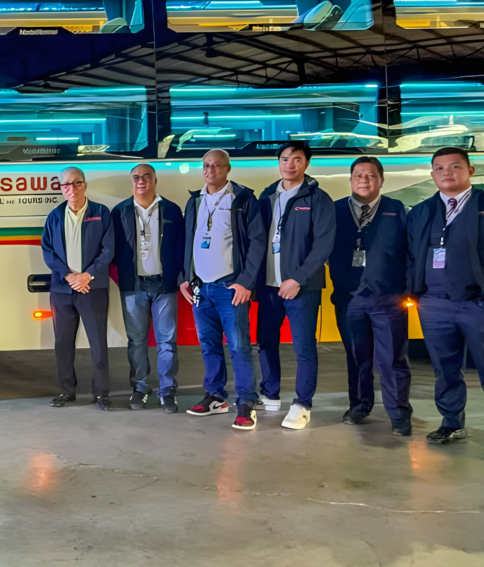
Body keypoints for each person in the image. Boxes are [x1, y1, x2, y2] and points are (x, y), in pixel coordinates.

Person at [406, 147, 484, 462]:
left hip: (482, 304)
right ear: (432, 174)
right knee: (445, 370)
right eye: (439, 168)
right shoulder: (421, 212)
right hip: (434, 304)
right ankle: (452, 423)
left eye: (454, 167)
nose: (446, 173)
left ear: (470, 171)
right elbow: (410, 255)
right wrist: (416, 294)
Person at [180, 149, 267, 430]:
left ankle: (246, 403)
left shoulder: (242, 199)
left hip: (230, 287)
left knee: (240, 347)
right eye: (206, 165)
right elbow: (189, 241)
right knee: (209, 346)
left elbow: (257, 243)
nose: (210, 170)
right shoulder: (195, 200)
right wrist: (186, 276)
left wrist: (246, 281)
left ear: (227, 169)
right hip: (200, 288)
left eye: (217, 166)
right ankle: (216, 397)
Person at [256, 142, 336, 430]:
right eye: (284, 158)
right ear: (278, 162)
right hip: (267, 286)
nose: (290, 164)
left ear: (306, 164)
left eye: (297, 159)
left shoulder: (317, 198)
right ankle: (270, 394)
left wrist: (297, 279)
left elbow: (324, 244)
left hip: (301, 288)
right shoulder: (266, 196)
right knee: (265, 342)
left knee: (303, 346)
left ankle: (303, 404)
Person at [330, 157, 412, 435]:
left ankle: (399, 413)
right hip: (348, 298)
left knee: (392, 358)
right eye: (359, 175)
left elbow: (409, 252)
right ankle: (360, 405)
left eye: (371, 176)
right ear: (351, 179)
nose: (364, 180)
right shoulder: (335, 209)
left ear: (381, 179)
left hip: (387, 299)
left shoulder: (395, 209)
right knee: (357, 357)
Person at [41, 166, 115, 410]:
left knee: (98, 344)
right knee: (63, 344)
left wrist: (87, 276)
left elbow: (108, 250)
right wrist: (69, 276)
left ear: (85, 185)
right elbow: (48, 252)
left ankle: (102, 394)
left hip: (92, 289)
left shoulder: (101, 213)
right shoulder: (54, 216)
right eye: (66, 185)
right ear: (61, 188)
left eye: (76, 183)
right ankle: (66, 392)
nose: (71, 189)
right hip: (62, 290)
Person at [111, 164, 183, 412]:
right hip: (133, 286)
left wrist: (181, 278)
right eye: (136, 178)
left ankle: (167, 390)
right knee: (136, 341)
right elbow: (112, 250)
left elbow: (181, 249)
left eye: (146, 177)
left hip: (165, 285)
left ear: (155, 180)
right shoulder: (119, 212)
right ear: (131, 182)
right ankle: (140, 387)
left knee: (167, 342)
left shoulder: (172, 210)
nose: (141, 181)